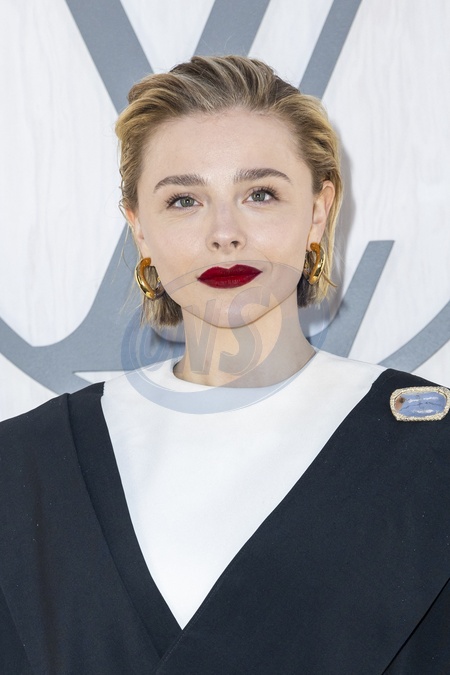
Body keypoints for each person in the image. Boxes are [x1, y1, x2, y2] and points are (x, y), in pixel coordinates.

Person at [0, 55, 449, 674]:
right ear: (139, 227)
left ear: (319, 211)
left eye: (260, 194)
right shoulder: (26, 467)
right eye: (184, 199)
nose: (224, 232)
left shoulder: (430, 451)